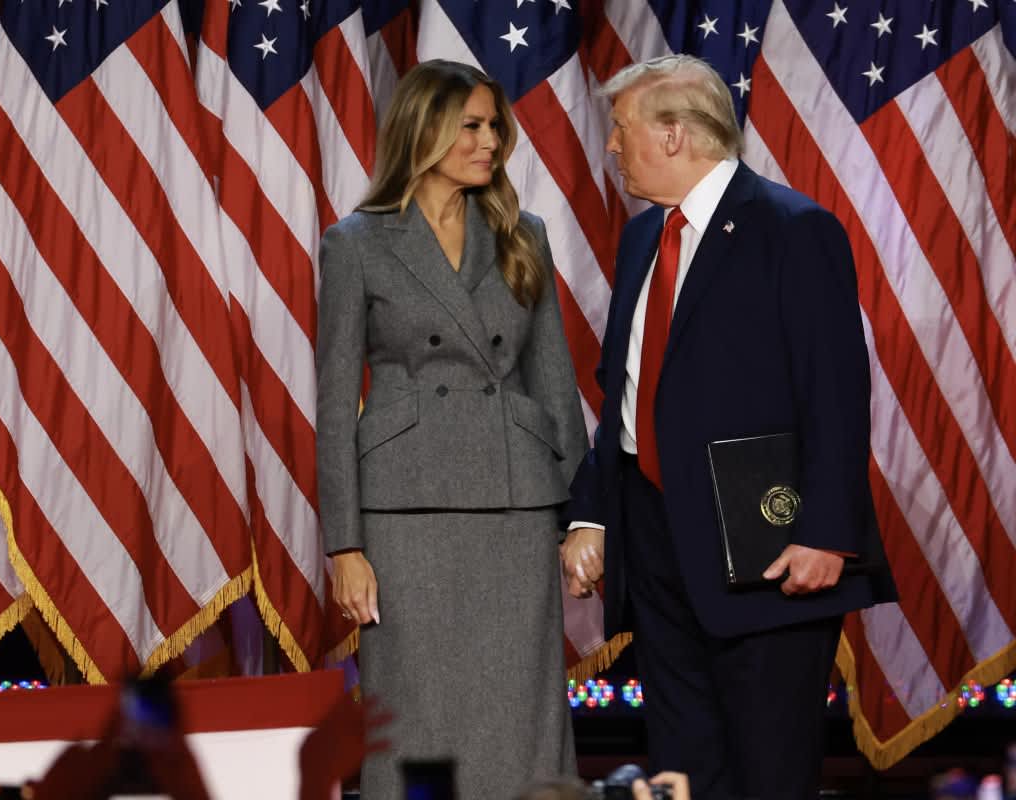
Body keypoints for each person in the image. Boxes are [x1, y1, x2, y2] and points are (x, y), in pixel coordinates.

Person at [559, 55, 897, 800]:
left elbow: (835, 392)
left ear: (675, 134)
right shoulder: (644, 237)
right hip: (655, 551)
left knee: (769, 772)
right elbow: (622, 394)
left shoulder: (794, 230)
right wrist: (592, 511)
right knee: (685, 769)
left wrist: (826, 533)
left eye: (622, 131)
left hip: (769, 552)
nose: (611, 148)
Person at [316, 59, 588, 799]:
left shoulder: (520, 232)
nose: (490, 140)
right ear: (423, 129)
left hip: (516, 506)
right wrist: (345, 544)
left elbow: (553, 382)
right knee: (417, 720)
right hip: (406, 513)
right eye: (471, 125)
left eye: (495, 125)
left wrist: (585, 515)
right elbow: (337, 402)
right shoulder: (357, 244)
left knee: (522, 720)